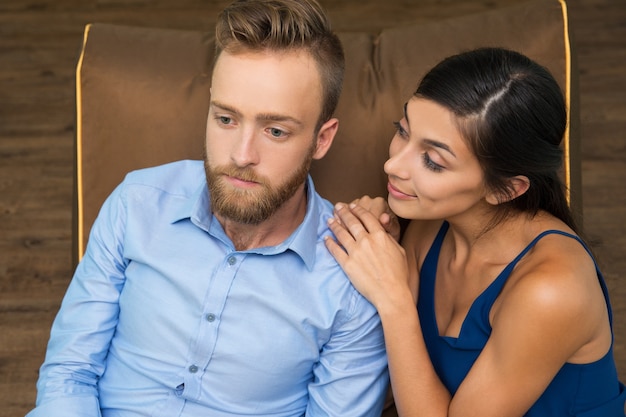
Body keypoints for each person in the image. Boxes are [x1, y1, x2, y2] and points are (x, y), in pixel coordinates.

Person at [26, 1, 390, 416]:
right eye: (226, 119)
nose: (241, 154)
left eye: (275, 130)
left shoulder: (351, 275)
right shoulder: (138, 202)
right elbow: (70, 372)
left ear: (322, 140)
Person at [325, 47, 626, 416]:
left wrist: (393, 298)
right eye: (403, 131)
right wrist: (376, 248)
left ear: (505, 189)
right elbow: (391, 385)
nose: (392, 164)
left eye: (433, 162)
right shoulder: (430, 226)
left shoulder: (552, 290)